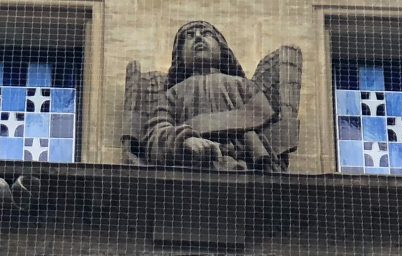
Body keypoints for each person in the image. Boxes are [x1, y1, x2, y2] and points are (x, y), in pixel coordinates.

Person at [126, 21, 300, 173]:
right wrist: (184, 140)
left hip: (242, 168)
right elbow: (155, 134)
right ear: (180, 56)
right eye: (189, 36)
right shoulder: (173, 93)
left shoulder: (244, 86)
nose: (198, 37)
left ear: (222, 49)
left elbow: (270, 131)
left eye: (206, 33)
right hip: (189, 170)